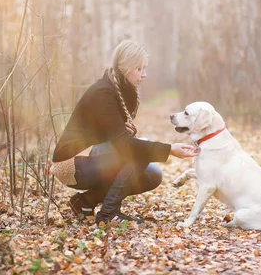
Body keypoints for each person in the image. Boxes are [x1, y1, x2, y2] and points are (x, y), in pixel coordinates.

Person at [50, 40, 198, 225]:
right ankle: (108, 213)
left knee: (152, 175)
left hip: (90, 156)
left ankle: (84, 202)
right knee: (139, 148)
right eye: (139, 69)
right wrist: (170, 149)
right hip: (71, 164)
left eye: (145, 68)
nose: (144, 74)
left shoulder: (119, 89)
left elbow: (108, 133)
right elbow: (123, 144)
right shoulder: (103, 93)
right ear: (125, 67)